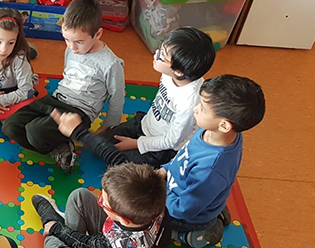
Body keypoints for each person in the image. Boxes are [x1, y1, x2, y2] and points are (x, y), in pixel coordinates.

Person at [59, 28, 215, 168]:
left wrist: (137, 144)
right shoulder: (171, 74)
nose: (156, 54)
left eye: (162, 55)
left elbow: (172, 140)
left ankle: (160, 170)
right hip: (144, 125)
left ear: (179, 72)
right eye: (161, 48)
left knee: (117, 165)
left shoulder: (189, 102)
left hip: (162, 148)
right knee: (101, 146)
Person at [2, 0, 125, 173]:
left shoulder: (111, 64)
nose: (72, 47)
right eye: (67, 39)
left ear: (97, 34)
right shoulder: (71, 49)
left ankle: (61, 142)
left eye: (79, 42)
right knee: (10, 126)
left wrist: (108, 125)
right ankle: (59, 147)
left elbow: (117, 97)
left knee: (35, 132)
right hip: (56, 100)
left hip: (79, 113)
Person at [25, 163, 171, 248]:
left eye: (103, 203)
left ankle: (52, 220)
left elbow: (85, 245)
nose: (99, 200)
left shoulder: (120, 245)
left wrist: (56, 228)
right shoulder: (154, 204)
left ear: (124, 220)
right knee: (79, 196)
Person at [161, 74, 266, 248]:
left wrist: (158, 197)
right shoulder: (214, 131)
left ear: (224, 125)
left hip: (185, 214)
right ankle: (213, 209)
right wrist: (165, 169)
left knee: (140, 217)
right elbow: (185, 155)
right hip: (187, 193)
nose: (195, 109)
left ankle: (193, 234)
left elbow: (182, 210)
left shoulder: (210, 168)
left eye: (202, 108)